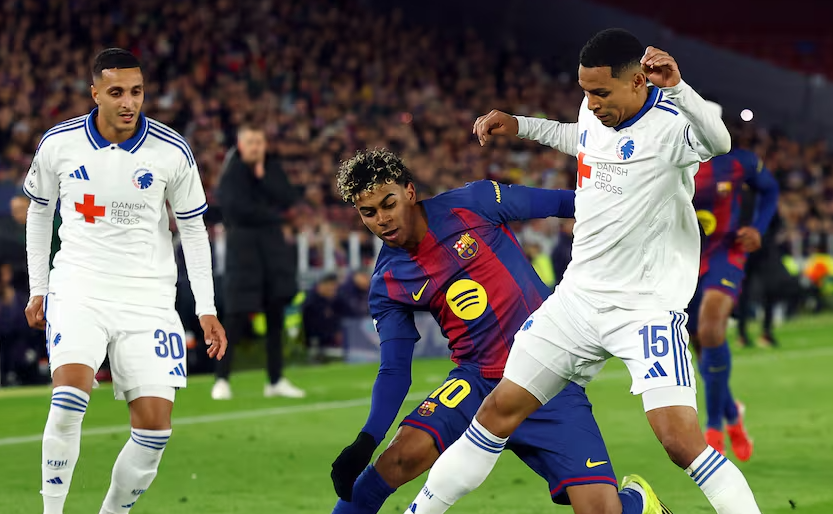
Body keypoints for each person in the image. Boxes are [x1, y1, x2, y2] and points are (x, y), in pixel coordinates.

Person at [405, 29, 762, 514]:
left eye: (601, 92)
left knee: (680, 441)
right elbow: (579, 138)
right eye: (586, 91)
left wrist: (678, 87)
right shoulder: (594, 111)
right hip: (576, 301)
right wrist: (520, 124)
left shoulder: (669, 124)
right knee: (497, 412)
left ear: (637, 81)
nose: (591, 103)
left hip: (644, 310)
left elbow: (719, 141)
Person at [330, 149, 670, 514]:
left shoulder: (473, 203)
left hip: (547, 371)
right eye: (369, 212)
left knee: (602, 511)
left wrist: (643, 213)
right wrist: (367, 439)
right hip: (477, 381)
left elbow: (568, 202)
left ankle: (637, 501)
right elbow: (395, 369)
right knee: (395, 460)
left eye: (389, 204)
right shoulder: (387, 282)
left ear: (409, 192)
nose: (382, 219)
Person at [22, 48, 227, 514]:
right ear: (95, 93)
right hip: (79, 287)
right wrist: (39, 288)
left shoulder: (171, 150)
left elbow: (193, 230)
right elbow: (39, 212)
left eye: (136, 91)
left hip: (147, 299)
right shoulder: (60, 143)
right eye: (116, 92)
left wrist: (206, 308)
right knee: (69, 397)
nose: (128, 102)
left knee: (154, 431)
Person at [687, 135, 779, 460]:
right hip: (683, 259)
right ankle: (732, 414)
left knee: (712, 329)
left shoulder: (738, 161)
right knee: (700, 345)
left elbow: (770, 189)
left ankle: (713, 430)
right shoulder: (667, 157)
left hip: (726, 251)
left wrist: (758, 228)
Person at [212, 124, 304, 400]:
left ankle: (275, 380)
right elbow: (236, 210)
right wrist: (273, 216)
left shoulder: (271, 169)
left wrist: (263, 178)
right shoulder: (232, 172)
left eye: (259, 142)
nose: (255, 147)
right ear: (241, 145)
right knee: (236, 315)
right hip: (243, 251)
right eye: (251, 142)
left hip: (272, 251)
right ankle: (221, 379)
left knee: (276, 314)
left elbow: (288, 197)